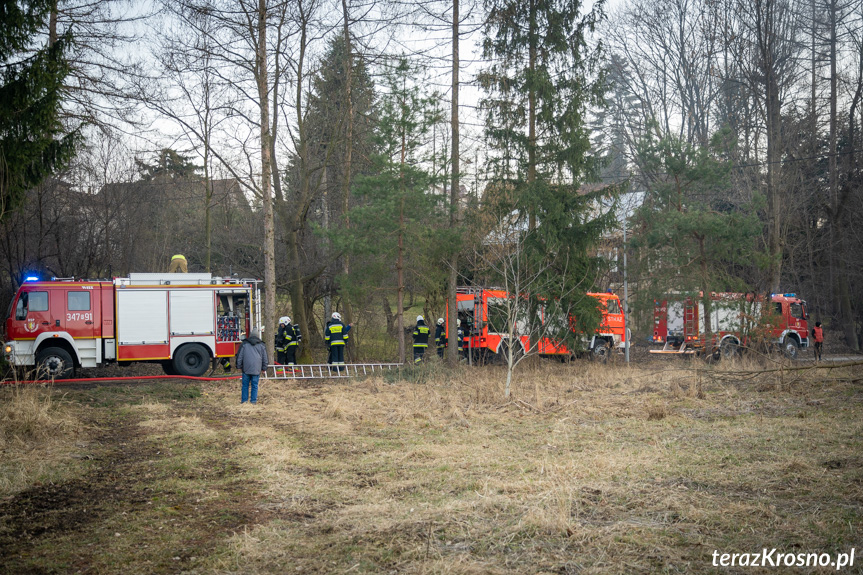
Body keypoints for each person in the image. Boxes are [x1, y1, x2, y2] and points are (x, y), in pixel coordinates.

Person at [236, 328, 268, 404]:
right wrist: (264, 368)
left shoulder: (244, 344)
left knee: (245, 385)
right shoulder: (262, 345)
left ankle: (244, 401)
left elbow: (240, 356)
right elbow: (265, 357)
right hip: (256, 368)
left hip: (246, 368)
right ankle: (253, 401)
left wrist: (238, 366)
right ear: (258, 335)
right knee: (254, 385)